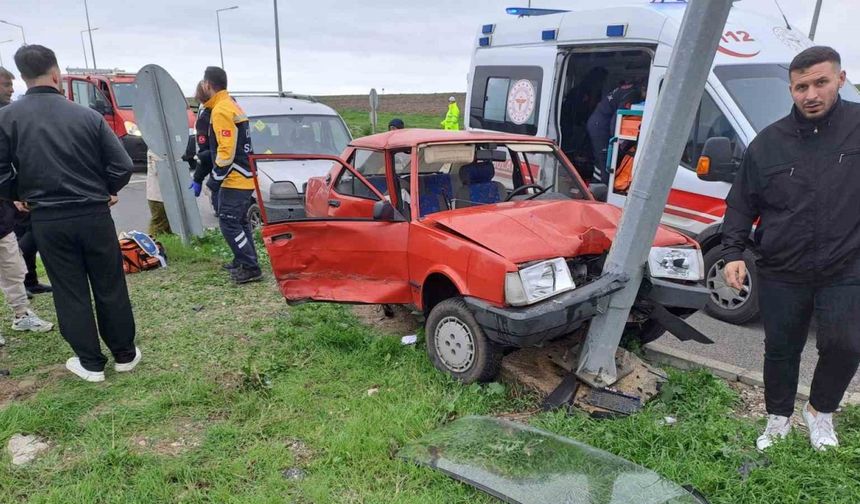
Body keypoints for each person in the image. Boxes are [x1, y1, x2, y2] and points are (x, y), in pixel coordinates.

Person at [722, 46, 860, 452]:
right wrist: (732, 252)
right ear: (791, 90)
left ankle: (820, 412)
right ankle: (778, 417)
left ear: (841, 78)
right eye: (801, 86)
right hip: (783, 266)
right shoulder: (768, 143)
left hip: (847, 263)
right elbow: (741, 201)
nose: (811, 94)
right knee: (781, 348)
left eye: (820, 82)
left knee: (846, 343)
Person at [0, 45, 139, 383]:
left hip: (48, 218)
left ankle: (91, 363)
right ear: (56, 73)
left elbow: (1, 171)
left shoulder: (7, 118)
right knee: (109, 283)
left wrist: (20, 195)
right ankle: (124, 354)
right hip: (93, 214)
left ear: (22, 78)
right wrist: (105, 190)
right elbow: (121, 165)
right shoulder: (87, 116)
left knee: (69, 288)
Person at [200, 66, 262, 284]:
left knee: (228, 222)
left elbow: (226, 150)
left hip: (235, 177)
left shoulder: (221, 110)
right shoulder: (231, 105)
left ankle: (251, 267)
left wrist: (214, 180)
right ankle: (244, 259)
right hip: (244, 174)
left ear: (208, 85)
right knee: (242, 222)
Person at [1, 67, 52, 297]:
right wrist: (13, 194)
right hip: (11, 190)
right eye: (5, 85)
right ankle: (19, 279)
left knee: (29, 229)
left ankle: (29, 280)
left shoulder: (11, 111)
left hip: (23, 187)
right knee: (22, 237)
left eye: (11, 85)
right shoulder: (5, 117)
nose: (11, 90)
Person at [585, 82, 643, 184]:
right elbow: (617, 119)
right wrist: (617, 140)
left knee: (600, 158)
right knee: (606, 158)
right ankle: (606, 189)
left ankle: (596, 184)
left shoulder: (626, 90)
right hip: (600, 126)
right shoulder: (633, 95)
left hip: (597, 122)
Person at [145, 150, 172, 236]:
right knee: (159, 224)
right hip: (158, 196)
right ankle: (152, 246)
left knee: (168, 225)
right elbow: (159, 170)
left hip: (165, 194)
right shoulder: (156, 148)